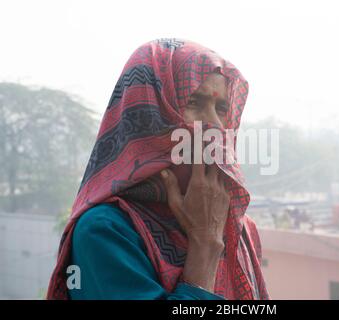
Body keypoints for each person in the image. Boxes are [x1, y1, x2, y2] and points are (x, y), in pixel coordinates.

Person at [46, 38, 269, 300]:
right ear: (149, 115)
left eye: (221, 108)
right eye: (194, 103)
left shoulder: (237, 227)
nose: (215, 125)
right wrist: (204, 248)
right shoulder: (105, 231)